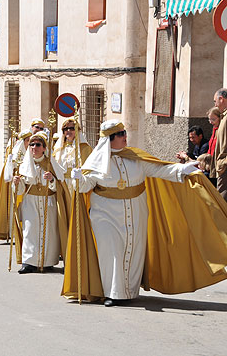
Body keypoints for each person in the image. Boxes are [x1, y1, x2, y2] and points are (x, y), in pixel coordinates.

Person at [67, 120, 205, 306]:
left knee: (132, 250)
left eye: (125, 132)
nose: (125, 136)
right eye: (121, 134)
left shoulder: (134, 157)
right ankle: (113, 293)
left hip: (136, 211)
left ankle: (128, 292)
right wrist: (77, 178)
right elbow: (84, 187)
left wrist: (182, 169)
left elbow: (159, 169)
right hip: (105, 215)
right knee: (113, 251)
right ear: (110, 139)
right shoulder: (96, 162)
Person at [11, 132, 68, 274]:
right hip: (30, 202)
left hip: (48, 201)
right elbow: (20, 191)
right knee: (30, 231)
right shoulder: (23, 165)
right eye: (31, 144)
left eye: (38, 145)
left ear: (44, 148)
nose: (34, 147)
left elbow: (59, 187)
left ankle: (47, 261)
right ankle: (29, 262)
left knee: (49, 231)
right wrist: (16, 183)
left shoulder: (51, 164)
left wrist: (52, 180)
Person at [0, 129, 31, 241]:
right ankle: (14, 232)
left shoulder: (32, 154)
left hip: (29, 187)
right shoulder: (16, 156)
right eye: (28, 141)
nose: (29, 143)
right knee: (16, 208)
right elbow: (9, 174)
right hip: (18, 186)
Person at [53, 118, 92, 194]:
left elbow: (88, 169)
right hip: (62, 184)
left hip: (78, 184)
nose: (68, 131)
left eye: (72, 128)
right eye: (66, 129)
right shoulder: (58, 149)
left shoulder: (84, 148)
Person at [213, 88, 227, 200]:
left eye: (215, 101)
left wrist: (224, 162)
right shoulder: (223, 117)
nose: (215, 105)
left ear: (221, 99)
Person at [206, 107, 221, 186]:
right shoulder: (214, 129)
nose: (210, 122)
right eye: (209, 119)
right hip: (211, 164)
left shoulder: (220, 131)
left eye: (213, 119)